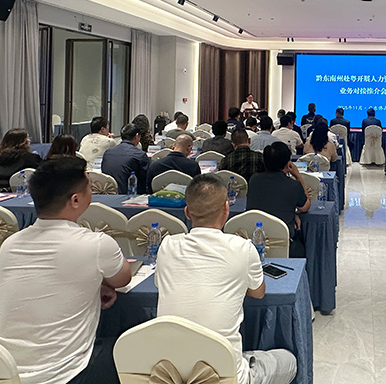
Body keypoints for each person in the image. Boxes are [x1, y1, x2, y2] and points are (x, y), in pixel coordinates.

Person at [0, 157, 131, 384]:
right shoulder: (96, 244)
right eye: (89, 187)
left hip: (5, 372)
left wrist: (90, 283)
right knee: (125, 346)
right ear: (75, 200)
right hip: (65, 374)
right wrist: (99, 282)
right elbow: (122, 278)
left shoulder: (10, 244)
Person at [155, 174, 297, 384]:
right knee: (289, 360)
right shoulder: (243, 248)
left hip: (171, 374)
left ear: (187, 212)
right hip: (226, 377)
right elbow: (258, 292)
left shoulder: (167, 246)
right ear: (226, 209)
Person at [246, 142, 310, 258]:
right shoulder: (293, 185)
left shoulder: (254, 180)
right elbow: (305, 207)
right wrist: (298, 176)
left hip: (255, 243)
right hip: (284, 243)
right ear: (288, 163)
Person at [101, 123, 150, 194]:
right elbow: (145, 182)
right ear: (137, 136)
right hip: (127, 196)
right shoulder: (139, 155)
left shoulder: (107, 153)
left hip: (107, 195)